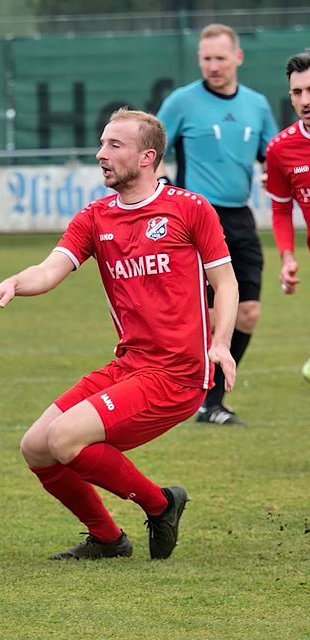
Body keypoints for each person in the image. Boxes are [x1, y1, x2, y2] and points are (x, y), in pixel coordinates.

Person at [0, 108, 238, 560]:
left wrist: (220, 343)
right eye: (101, 144)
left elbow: (226, 282)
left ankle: (161, 505)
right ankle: (108, 539)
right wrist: (14, 283)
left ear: (146, 157)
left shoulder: (189, 208)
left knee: (65, 439)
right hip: (129, 366)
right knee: (37, 448)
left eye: (114, 146)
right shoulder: (95, 218)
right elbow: (48, 271)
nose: (101, 154)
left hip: (178, 374)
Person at [156, 23, 278, 425]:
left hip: (240, 218)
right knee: (207, 314)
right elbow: (150, 150)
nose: (213, 66)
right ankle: (196, 398)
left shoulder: (257, 105)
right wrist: (165, 190)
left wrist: (276, 176)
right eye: (206, 59)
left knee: (249, 312)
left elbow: (273, 156)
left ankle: (212, 400)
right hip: (196, 218)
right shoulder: (181, 102)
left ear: (238, 58)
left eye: (221, 58)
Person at [265, 51, 310, 382]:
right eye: (297, 92)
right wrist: (287, 257)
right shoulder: (280, 149)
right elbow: (281, 208)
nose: (305, 100)